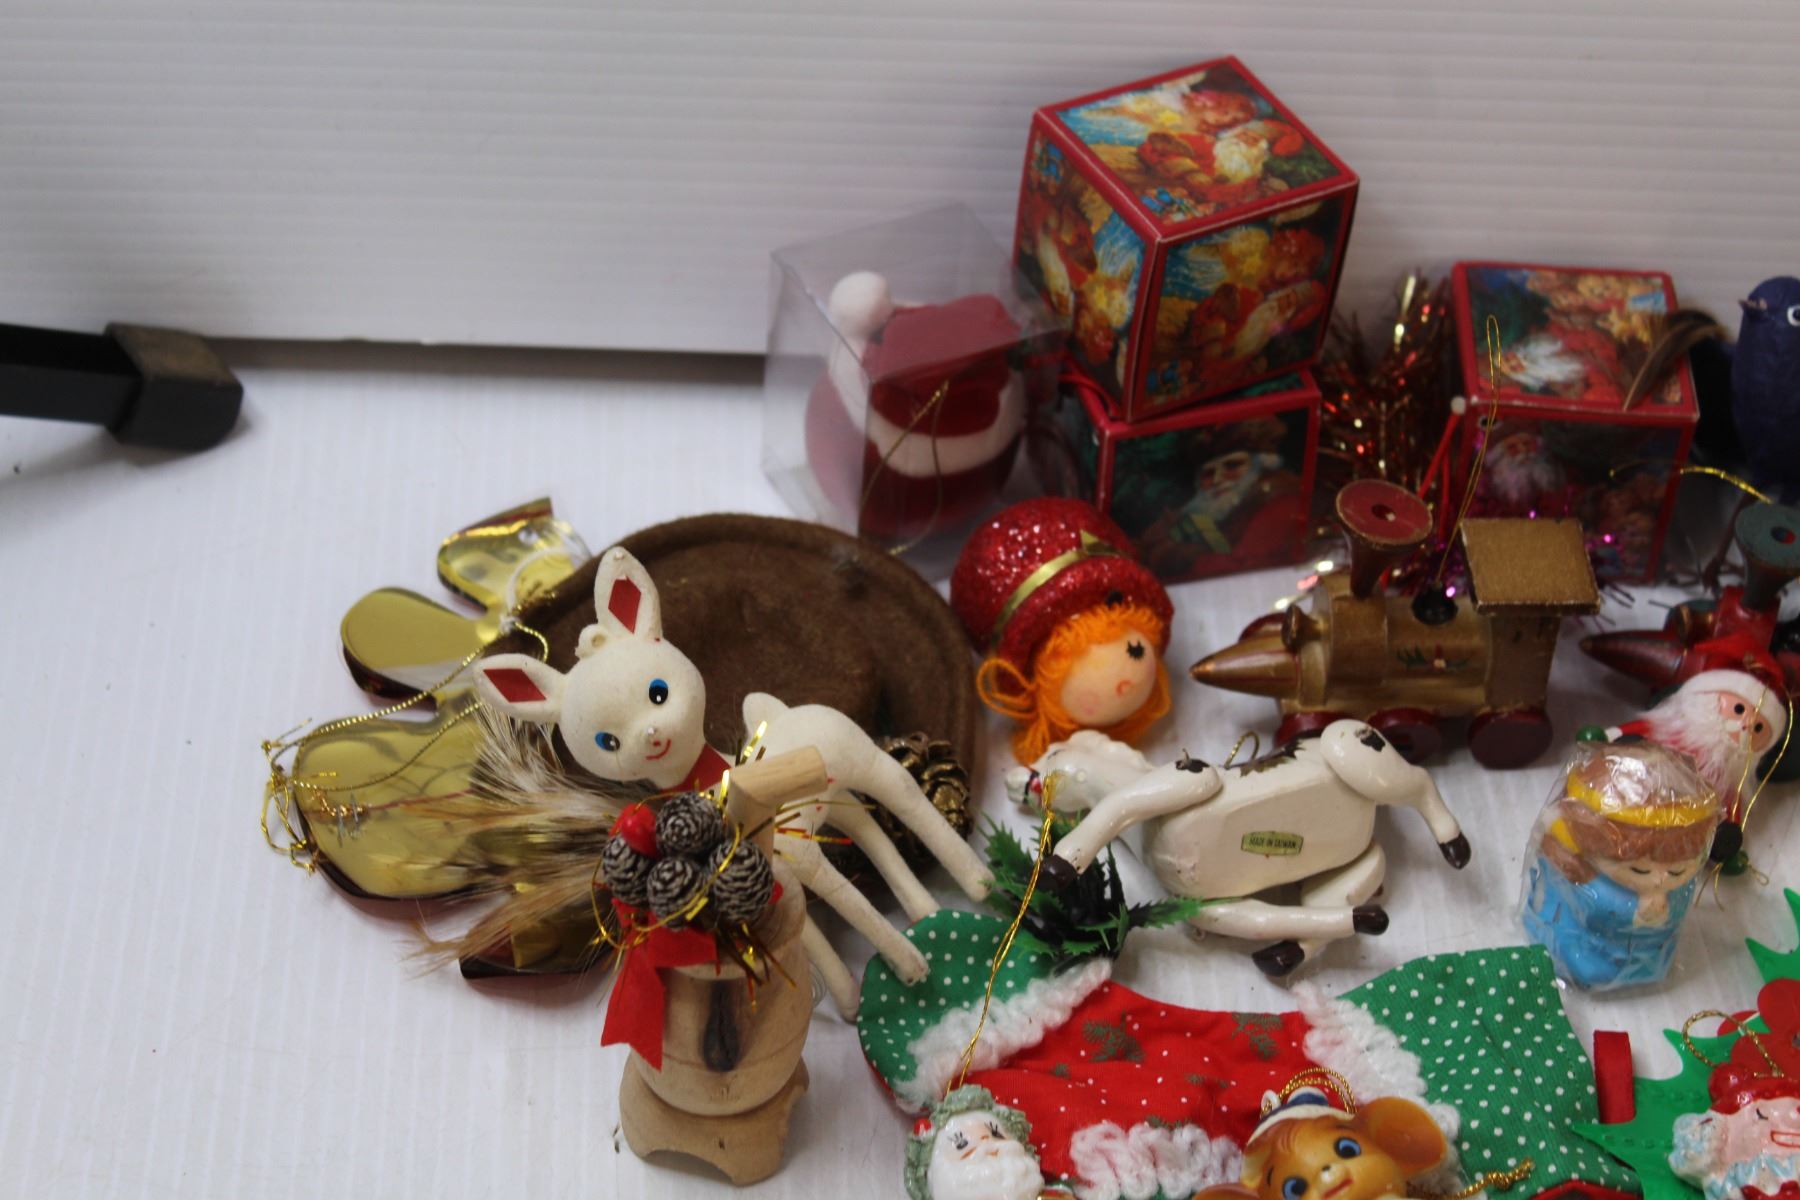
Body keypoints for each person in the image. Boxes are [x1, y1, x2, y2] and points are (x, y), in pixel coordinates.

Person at [1520, 741, 1721, 990]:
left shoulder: (1677, 889)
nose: (1660, 880)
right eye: (1640, 870)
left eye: (1677, 871)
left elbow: (1675, 913)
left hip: (1652, 951)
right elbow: (1597, 914)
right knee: (1588, 965)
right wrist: (1635, 910)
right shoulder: (1593, 881)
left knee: (1655, 959)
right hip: (1595, 947)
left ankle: (1644, 969)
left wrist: (1665, 909)